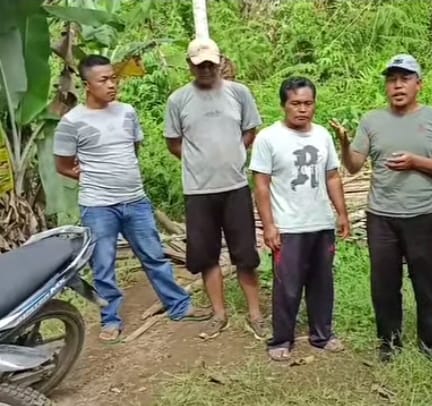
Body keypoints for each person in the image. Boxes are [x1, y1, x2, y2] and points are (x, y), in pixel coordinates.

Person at [53, 55, 212, 343]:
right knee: (103, 265)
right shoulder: (71, 122)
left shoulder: (127, 112)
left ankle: (179, 306)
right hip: (98, 206)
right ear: (87, 85)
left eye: (113, 78)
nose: (111, 84)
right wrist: (96, 178)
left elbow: (133, 150)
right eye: (103, 80)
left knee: (154, 256)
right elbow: (63, 165)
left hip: (135, 200)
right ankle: (110, 320)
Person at [331, 54, 432, 362]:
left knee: (425, 282)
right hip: (381, 217)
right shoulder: (372, 120)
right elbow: (353, 166)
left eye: (405, 79)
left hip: (422, 215)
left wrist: (416, 162)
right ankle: (389, 344)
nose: (398, 86)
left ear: (419, 84)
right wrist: (345, 144)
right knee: (384, 285)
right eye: (392, 80)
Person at [164, 38, 268, 341]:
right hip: (198, 191)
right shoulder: (178, 100)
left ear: (220, 61)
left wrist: (233, 154)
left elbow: (250, 130)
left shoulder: (239, 93)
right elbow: (173, 142)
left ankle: (256, 314)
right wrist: (199, 161)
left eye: (211, 63)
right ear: (190, 66)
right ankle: (218, 314)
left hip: (235, 187)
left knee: (245, 254)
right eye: (200, 65)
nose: (206, 69)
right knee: (206, 255)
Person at [249, 76, 350, 361]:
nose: (302, 109)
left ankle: (322, 335)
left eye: (308, 103)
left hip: (320, 222)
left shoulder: (322, 135)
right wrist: (269, 225)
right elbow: (261, 185)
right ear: (284, 105)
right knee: (287, 286)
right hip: (288, 225)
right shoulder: (268, 138)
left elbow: (332, 176)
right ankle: (282, 339)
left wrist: (341, 213)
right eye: (296, 103)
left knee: (322, 283)